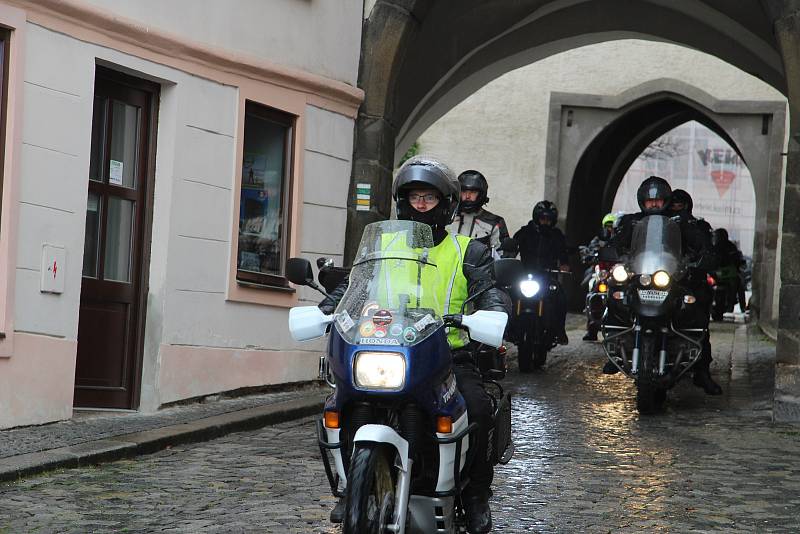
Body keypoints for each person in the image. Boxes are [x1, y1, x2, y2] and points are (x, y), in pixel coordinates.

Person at [319, 155, 510, 534]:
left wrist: (491, 313)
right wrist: (325, 310)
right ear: (401, 203)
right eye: (413, 198)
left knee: (477, 408)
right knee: (340, 400)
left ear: (447, 203)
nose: (420, 205)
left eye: (429, 198)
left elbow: (490, 292)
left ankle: (476, 496)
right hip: (388, 349)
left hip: (449, 356)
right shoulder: (383, 244)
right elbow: (352, 285)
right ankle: (350, 489)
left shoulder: (467, 251)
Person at [608, 177, 722, 395]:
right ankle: (616, 349)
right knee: (615, 294)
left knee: (697, 312)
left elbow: (700, 243)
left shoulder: (681, 222)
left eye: (658, 201)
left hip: (672, 278)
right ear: (642, 201)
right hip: (640, 277)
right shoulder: (632, 221)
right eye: (649, 202)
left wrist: (704, 257)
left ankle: (701, 370)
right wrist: (613, 252)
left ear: (665, 201)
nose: (654, 205)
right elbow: (617, 242)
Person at [509, 200, 570, 345]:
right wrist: (509, 258)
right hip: (525, 275)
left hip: (547, 277)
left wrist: (565, 264)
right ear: (537, 217)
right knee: (508, 294)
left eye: (548, 220)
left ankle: (559, 330)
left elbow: (563, 253)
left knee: (561, 298)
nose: (545, 222)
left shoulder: (556, 235)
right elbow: (512, 247)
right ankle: (509, 329)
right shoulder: (525, 232)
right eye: (543, 218)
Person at [449, 170, 510, 257]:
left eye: (473, 192)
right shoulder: (447, 218)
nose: (467, 196)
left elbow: (502, 257)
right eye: (464, 191)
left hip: (480, 269)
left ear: (481, 194)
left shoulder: (494, 222)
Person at [581, 212, 618, 341]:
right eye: (608, 226)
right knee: (591, 284)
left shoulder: (622, 239)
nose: (610, 229)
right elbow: (590, 249)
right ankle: (591, 325)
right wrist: (589, 254)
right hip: (602, 271)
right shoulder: (599, 239)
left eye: (612, 226)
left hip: (618, 273)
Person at [711, 228, 748, 312]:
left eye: (717, 236)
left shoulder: (729, 246)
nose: (716, 238)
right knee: (738, 284)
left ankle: (740, 306)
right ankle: (741, 307)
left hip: (726, 272)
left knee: (738, 284)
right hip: (719, 272)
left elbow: (737, 258)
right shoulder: (715, 247)